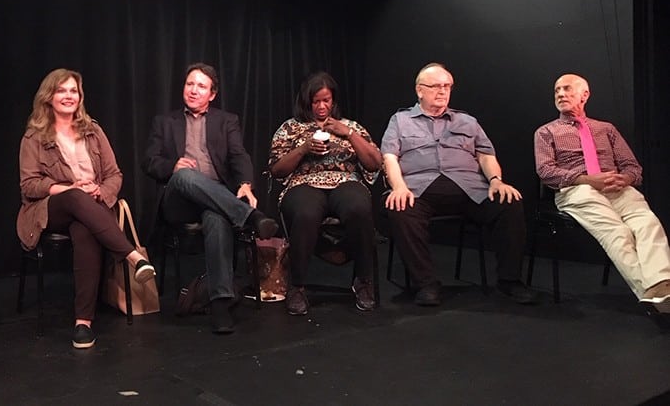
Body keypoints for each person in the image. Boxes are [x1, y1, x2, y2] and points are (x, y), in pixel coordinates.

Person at [18, 68, 155, 349]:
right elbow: (29, 185)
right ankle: (132, 257)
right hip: (51, 209)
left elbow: (114, 174)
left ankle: (83, 323)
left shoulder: (93, 131)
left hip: (94, 208)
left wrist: (101, 191)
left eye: (73, 91)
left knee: (84, 229)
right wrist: (69, 189)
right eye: (62, 90)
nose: (69, 96)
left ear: (80, 97)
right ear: (49, 97)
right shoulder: (34, 137)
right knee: (75, 197)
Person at [380, 62, 537, 306]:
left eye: (447, 86)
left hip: (469, 189)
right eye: (435, 86)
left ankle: (510, 281)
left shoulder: (467, 121)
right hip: (419, 189)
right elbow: (389, 156)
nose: (442, 91)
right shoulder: (400, 120)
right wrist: (399, 187)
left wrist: (496, 181)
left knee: (509, 203)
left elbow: (486, 155)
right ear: (419, 90)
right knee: (399, 208)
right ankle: (426, 284)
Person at [142, 62, 278, 334]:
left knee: (217, 218)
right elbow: (149, 161)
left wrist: (246, 185)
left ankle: (219, 304)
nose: (193, 91)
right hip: (178, 200)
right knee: (184, 176)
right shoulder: (165, 122)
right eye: (189, 84)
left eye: (201, 86)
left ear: (212, 94)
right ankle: (250, 217)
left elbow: (239, 156)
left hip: (214, 197)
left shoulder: (226, 121)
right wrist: (172, 167)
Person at [534, 73, 670, 305]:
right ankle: (654, 295)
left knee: (648, 224)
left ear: (584, 95)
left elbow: (632, 167)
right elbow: (546, 172)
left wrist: (625, 179)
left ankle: (662, 284)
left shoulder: (606, 129)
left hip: (615, 188)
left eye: (567, 89)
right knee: (618, 232)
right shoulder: (546, 132)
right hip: (576, 190)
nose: (560, 94)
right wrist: (587, 180)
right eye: (557, 90)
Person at [268, 72, 383, 315]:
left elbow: (374, 163)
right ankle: (297, 286)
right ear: (306, 101)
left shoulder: (350, 126)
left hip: (345, 181)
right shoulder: (291, 128)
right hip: (304, 184)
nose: (321, 106)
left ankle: (363, 281)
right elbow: (277, 170)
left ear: (334, 101)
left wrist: (348, 134)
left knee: (358, 207)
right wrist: (304, 148)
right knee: (305, 212)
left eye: (326, 100)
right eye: (316, 101)